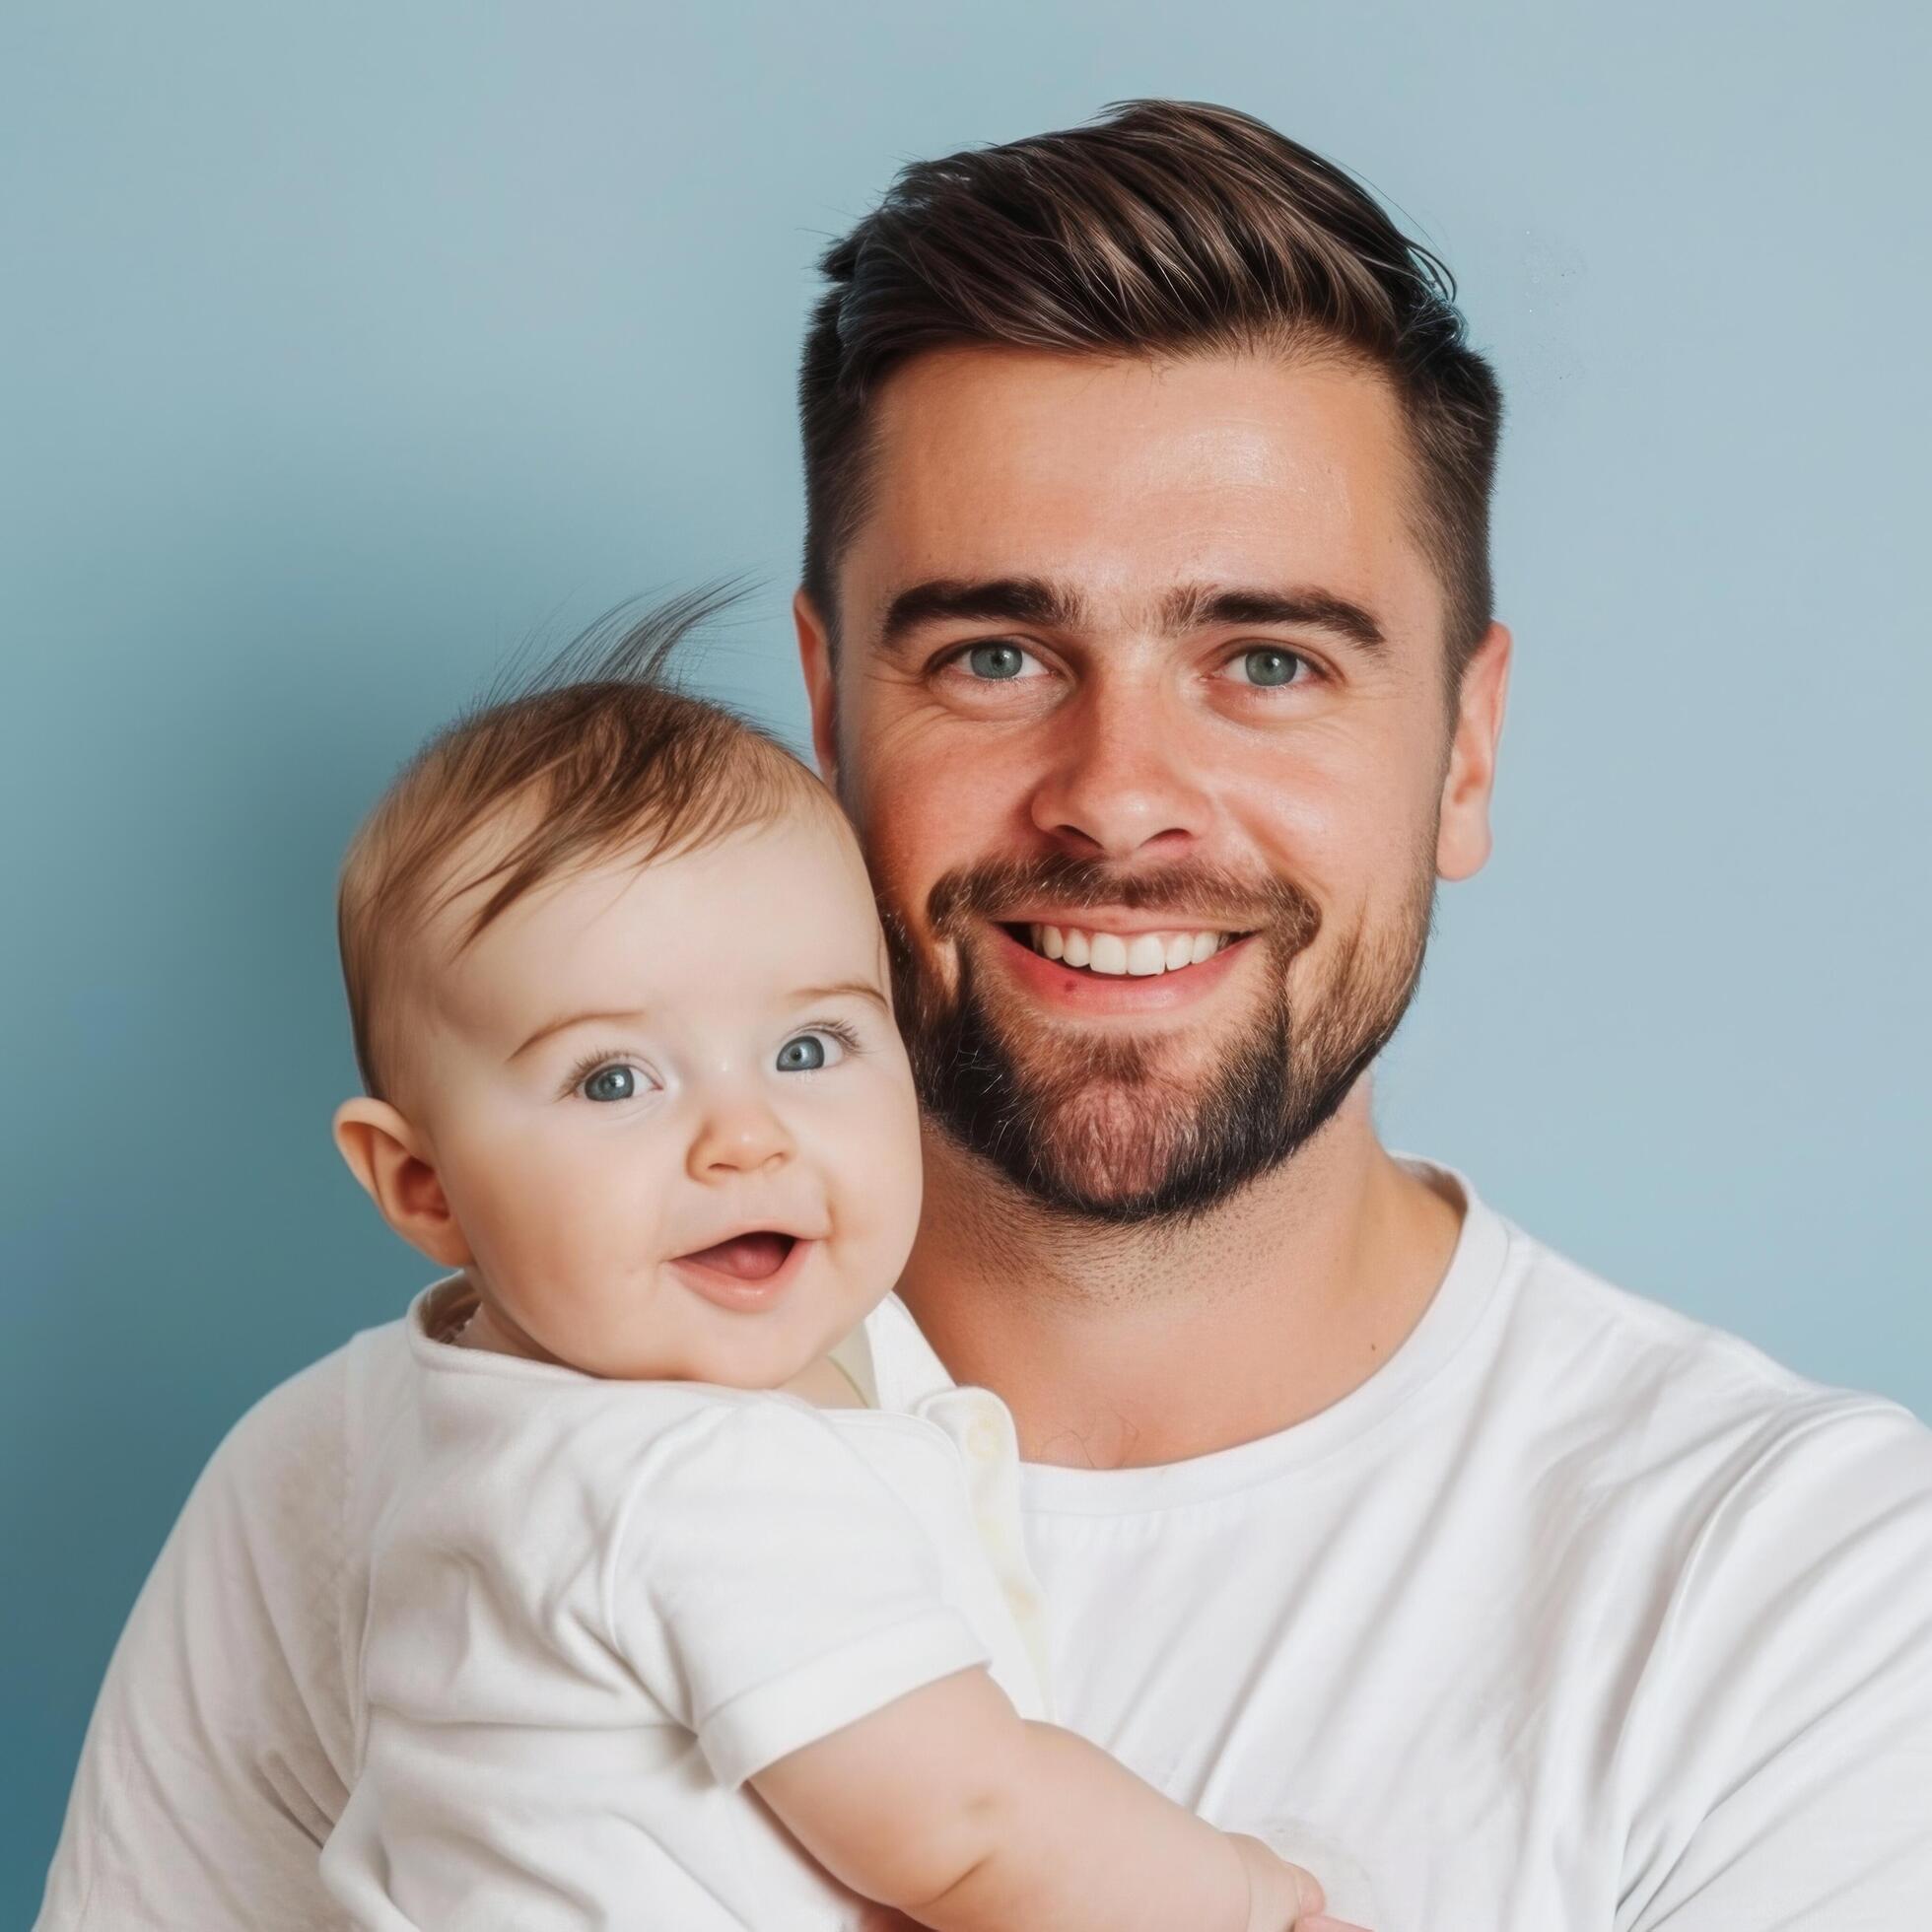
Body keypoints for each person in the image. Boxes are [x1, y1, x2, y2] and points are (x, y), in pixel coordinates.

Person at [40, 100, 1932, 1930]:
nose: (1118, 796)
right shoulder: (364, 1482)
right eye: (997, 656)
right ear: (831, 714)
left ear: (1468, 745)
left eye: (1266, 659)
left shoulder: (1796, 1589)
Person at [308, 609, 1329, 1930]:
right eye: (616, 1078)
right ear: (422, 1183)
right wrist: (1257, 1895)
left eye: (809, 1051)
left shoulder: (474, 1423)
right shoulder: (687, 1474)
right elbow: (970, 1825)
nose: (745, 1139)